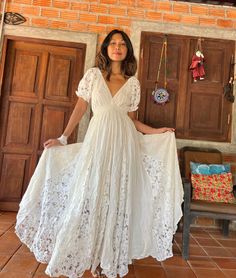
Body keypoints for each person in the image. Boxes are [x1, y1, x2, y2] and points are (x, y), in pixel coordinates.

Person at [15, 29, 183, 278]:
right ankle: (87, 251)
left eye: (122, 44)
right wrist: (63, 137)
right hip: (98, 142)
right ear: (105, 48)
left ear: (127, 50)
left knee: (117, 195)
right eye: (113, 43)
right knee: (90, 193)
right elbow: (81, 107)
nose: (117, 47)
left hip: (125, 145)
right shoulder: (93, 76)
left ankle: (109, 256)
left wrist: (156, 131)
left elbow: (131, 120)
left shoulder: (133, 82)